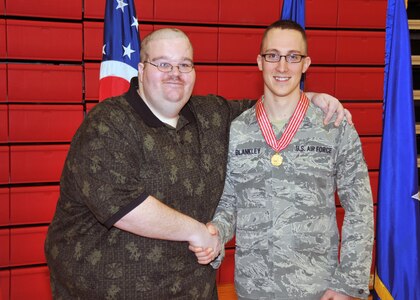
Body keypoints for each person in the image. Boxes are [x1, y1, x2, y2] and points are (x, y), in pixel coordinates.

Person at [44, 27, 351, 299]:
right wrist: (197, 232)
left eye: (184, 64)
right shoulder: (108, 123)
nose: (174, 73)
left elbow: (267, 111)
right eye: (163, 63)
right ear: (141, 69)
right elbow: (123, 206)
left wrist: (311, 97)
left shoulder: (211, 115)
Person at [192, 20, 374, 300]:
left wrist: (348, 284)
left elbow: (360, 209)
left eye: (293, 57)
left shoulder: (334, 126)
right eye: (272, 55)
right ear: (259, 62)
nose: (282, 66)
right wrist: (216, 234)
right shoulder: (238, 129)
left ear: (306, 63)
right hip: (254, 288)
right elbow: (230, 202)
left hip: (319, 289)